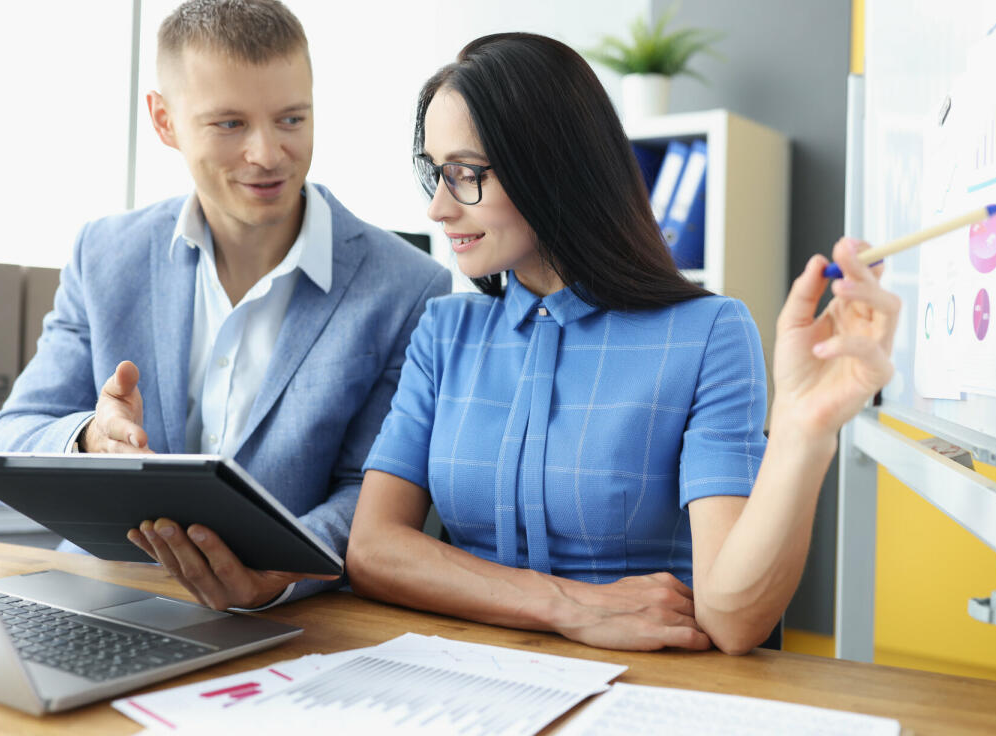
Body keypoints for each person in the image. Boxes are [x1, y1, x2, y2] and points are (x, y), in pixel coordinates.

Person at [346, 33, 898, 654]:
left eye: (466, 174)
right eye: (435, 173)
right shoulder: (444, 332)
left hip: (643, 687)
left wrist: (802, 429)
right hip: (466, 678)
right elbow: (373, 550)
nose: (439, 208)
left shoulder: (709, 332)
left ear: (551, 168)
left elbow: (736, 621)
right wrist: (566, 605)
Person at [0, 0, 451, 611]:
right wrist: (93, 438)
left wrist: (279, 573)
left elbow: (369, 499)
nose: (267, 154)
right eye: (230, 124)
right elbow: (14, 433)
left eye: (291, 119)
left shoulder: (406, 287)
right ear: (164, 121)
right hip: (102, 599)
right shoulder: (105, 254)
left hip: (285, 626)